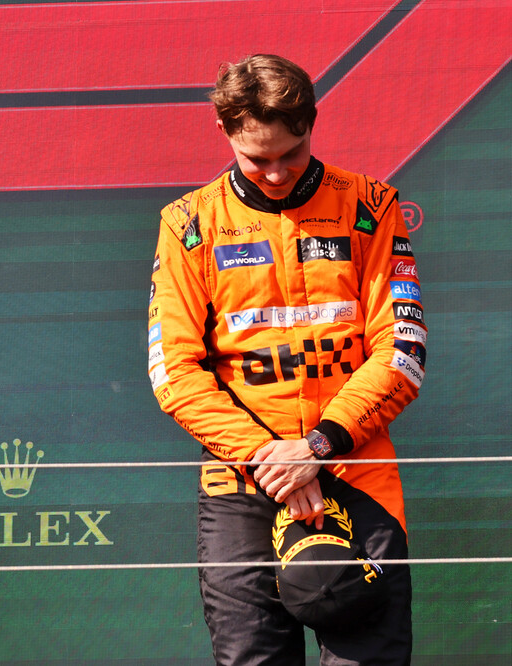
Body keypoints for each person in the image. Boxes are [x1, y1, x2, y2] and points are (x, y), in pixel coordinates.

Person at [147, 54, 425, 664]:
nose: (274, 174)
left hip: (355, 467)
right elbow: (174, 371)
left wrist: (317, 447)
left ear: (313, 124)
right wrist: (271, 461)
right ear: (223, 133)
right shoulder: (188, 224)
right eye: (256, 158)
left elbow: (402, 351)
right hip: (243, 481)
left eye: (290, 155)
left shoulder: (370, 207)